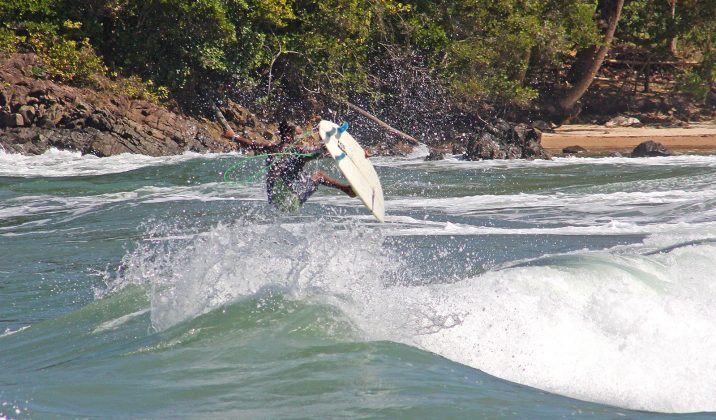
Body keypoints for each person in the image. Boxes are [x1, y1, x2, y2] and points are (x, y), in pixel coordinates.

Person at [223, 120, 355, 211]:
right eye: (297, 134)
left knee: (293, 174)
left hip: (274, 203)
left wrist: (233, 136)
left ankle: (346, 190)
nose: (300, 136)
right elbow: (317, 154)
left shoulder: (271, 148)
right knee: (318, 175)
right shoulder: (298, 151)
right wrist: (335, 148)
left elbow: (250, 144)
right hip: (291, 203)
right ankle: (346, 190)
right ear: (289, 136)